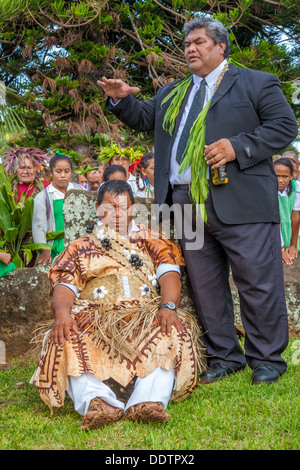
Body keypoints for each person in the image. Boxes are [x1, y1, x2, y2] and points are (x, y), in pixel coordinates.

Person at [99, 16, 298, 385]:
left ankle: (267, 359)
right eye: (187, 43)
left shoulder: (256, 82)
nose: (190, 48)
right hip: (185, 204)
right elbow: (146, 118)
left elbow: (285, 126)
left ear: (221, 46)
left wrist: (238, 146)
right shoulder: (174, 92)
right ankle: (225, 355)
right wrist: (120, 100)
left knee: (257, 282)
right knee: (205, 285)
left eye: (199, 42)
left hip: (241, 201)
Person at [30, 180, 201, 430]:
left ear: (133, 209)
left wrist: (168, 307)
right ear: (98, 208)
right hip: (95, 317)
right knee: (65, 336)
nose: (118, 214)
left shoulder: (154, 240)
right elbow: (64, 286)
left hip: (144, 315)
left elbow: (169, 276)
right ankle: (98, 402)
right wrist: (63, 314)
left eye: (124, 207)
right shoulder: (79, 247)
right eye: (110, 208)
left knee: (171, 330)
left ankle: (147, 402)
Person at [32, 153, 82, 265]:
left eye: (67, 171)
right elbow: (38, 227)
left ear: (71, 172)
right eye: (58, 171)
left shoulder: (80, 190)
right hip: (56, 249)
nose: (63, 175)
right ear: (51, 172)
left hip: (79, 247)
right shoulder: (43, 197)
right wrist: (44, 251)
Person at [274, 158, 300, 265]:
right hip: (274, 227)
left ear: (291, 176)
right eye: (277, 176)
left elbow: (295, 216)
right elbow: (276, 218)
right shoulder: (268, 188)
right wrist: (280, 248)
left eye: (284, 176)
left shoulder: (296, 187)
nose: (280, 180)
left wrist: (293, 244)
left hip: (289, 228)